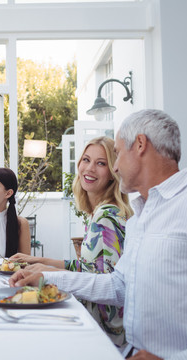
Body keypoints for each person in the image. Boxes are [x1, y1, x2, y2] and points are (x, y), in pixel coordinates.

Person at [10, 109, 187, 360]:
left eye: (117, 153)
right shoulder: (140, 218)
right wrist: (47, 277)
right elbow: (118, 286)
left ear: (140, 144)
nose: (115, 166)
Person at [10, 136, 133, 349]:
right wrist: (39, 260)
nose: (90, 168)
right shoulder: (98, 213)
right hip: (93, 317)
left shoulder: (107, 215)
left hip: (104, 331)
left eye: (101, 163)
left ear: (113, 174)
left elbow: (110, 283)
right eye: (86, 160)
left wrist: (47, 272)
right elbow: (91, 268)